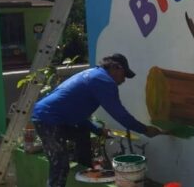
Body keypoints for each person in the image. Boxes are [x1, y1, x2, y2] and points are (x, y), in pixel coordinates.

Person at [31, 53, 163, 187]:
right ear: (115, 67)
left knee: (81, 133)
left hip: (52, 116)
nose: (124, 80)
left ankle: (85, 171)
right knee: (60, 164)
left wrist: (98, 130)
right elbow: (120, 114)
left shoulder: (93, 74)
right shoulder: (104, 81)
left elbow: (78, 115)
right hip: (49, 118)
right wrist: (145, 130)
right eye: (124, 75)